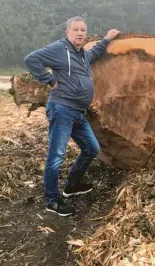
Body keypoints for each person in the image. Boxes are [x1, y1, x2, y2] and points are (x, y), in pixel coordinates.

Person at [24, 16, 120, 216]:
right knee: (56, 155)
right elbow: (31, 59)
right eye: (75, 30)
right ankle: (52, 200)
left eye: (83, 30)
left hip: (77, 112)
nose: (79, 33)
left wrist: (107, 39)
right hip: (61, 109)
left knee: (92, 148)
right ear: (67, 32)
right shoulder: (60, 49)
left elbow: (94, 52)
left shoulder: (82, 54)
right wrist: (48, 79)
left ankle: (71, 186)